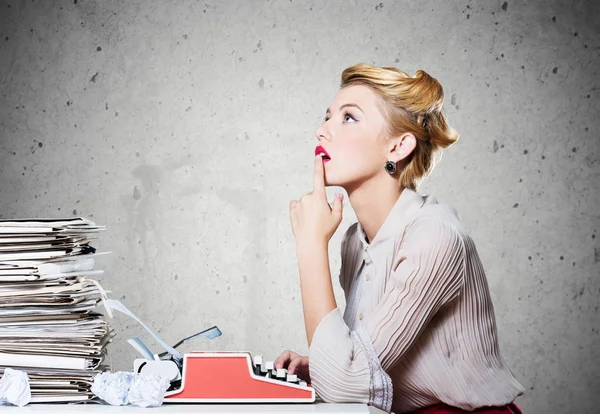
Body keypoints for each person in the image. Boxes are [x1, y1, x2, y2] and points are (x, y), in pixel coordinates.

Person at [275, 63, 525, 414]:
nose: (321, 130)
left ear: (398, 146)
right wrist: (321, 364)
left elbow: (344, 383)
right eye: (327, 116)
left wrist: (310, 244)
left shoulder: (435, 236)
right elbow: (359, 367)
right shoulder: (354, 241)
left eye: (348, 118)